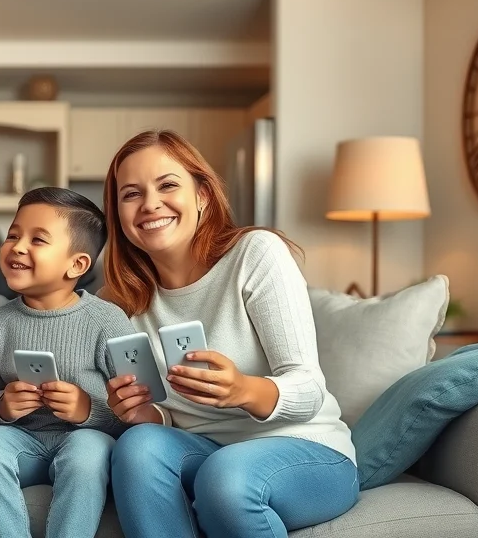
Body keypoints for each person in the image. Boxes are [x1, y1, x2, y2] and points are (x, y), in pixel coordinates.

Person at [101, 130, 358, 538]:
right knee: (136, 447)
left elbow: (310, 388)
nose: (150, 204)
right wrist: (145, 415)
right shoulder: (116, 303)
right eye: (131, 194)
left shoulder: (256, 254)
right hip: (205, 452)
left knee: (225, 477)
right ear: (118, 214)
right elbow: (168, 417)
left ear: (202, 195)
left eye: (167, 185)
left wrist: (243, 389)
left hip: (307, 448)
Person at [0, 187, 136, 538]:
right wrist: (3, 407)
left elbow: (136, 407)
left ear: (77, 264)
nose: (18, 247)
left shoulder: (107, 321)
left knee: (88, 451)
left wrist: (89, 410)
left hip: (84, 440)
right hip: (21, 442)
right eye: (13, 235)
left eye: (38, 240)